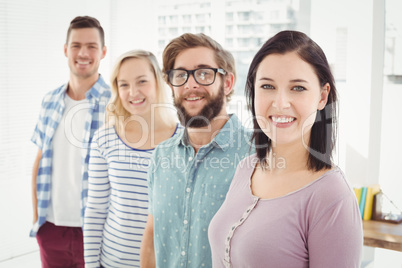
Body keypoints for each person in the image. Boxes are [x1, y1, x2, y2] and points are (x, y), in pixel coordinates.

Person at [208, 30, 363, 267]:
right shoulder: (245, 169)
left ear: (322, 96)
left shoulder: (332, 197)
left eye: (298, 88)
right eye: (267, 86)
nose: (280, 103)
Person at [140, 33, 253, 268]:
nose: (191, 84)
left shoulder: (257, 154)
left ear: (228, 82)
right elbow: (152, 235)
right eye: (180, 75)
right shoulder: (161, 155)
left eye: (204, 73)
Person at [83, 50, 179, 267]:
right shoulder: (104, 139)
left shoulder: (182, 139)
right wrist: (90, 264)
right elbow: (96, 210)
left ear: (159, 81)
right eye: (124, 84)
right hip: (112, 261)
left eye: (142, 81)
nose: (133, 92)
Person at [30, 16, 110, 267]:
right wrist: (38, 223)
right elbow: (39, 162)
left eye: (92, 46)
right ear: (66, 50)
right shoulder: (50, 100)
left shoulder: (117, 103)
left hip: (99, 231)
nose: (83, 52)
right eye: (76, 45)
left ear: (103, 52)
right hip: (51, 230)